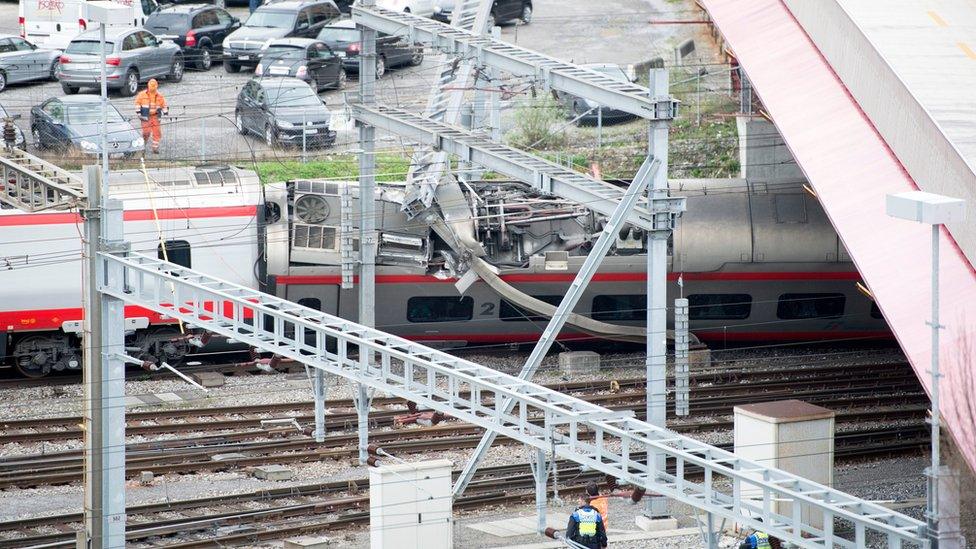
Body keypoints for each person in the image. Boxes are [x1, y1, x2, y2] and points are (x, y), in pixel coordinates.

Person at [134, 79, 167, 154]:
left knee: (157, 132)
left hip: (155, 116)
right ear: (148, 86)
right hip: (145, 116)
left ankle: (155, 148)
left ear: (156, 86)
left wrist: (165, 113)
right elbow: (137, 104)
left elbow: (164, 105)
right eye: (151, 86)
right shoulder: (142, 95)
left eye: (154, 86)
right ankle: (143, 145)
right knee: (146, 132)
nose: (152, 88)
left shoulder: (160, 96)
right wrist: (139, 113)